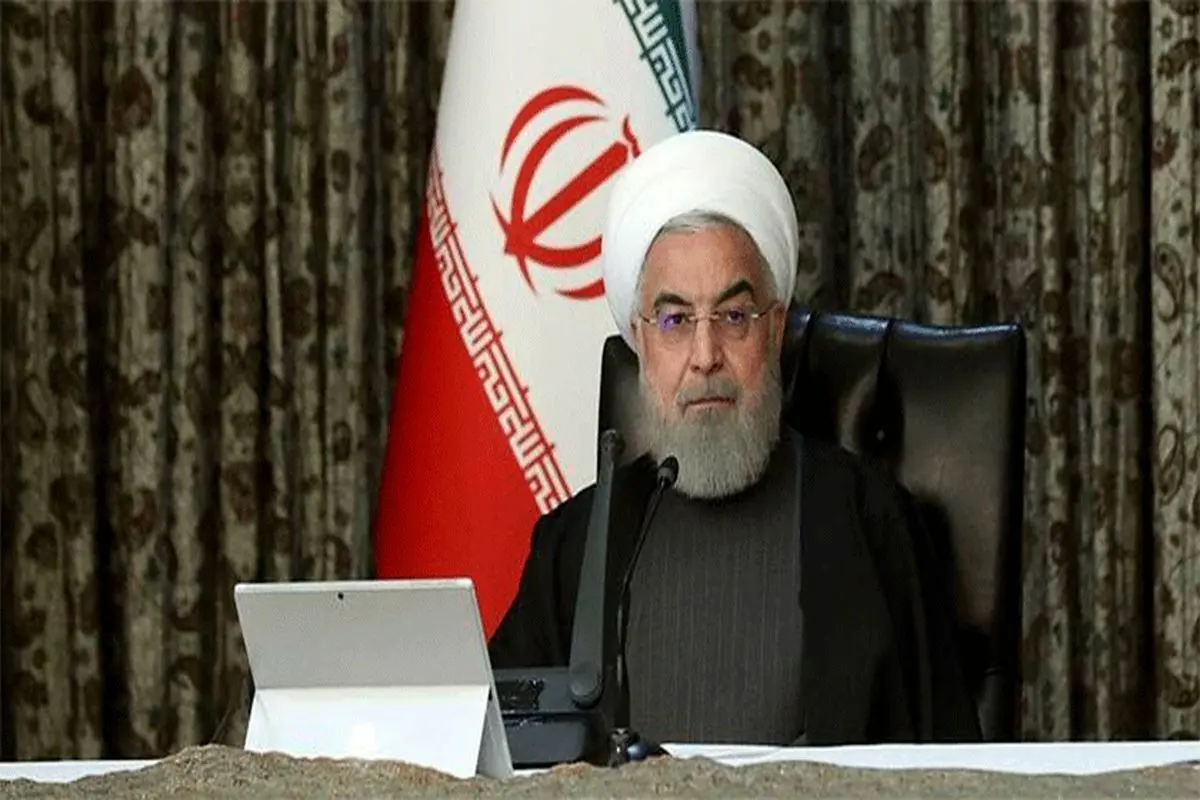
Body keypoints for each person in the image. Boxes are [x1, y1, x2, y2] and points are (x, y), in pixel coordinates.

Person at [487, 129, 982, 747]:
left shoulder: (870, 522)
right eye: (674, 320)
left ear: (774, 329)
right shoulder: (577, 544)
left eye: (733, 316)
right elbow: (495, 759)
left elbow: (948, 769)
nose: (705, 355)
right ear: (640, 342)